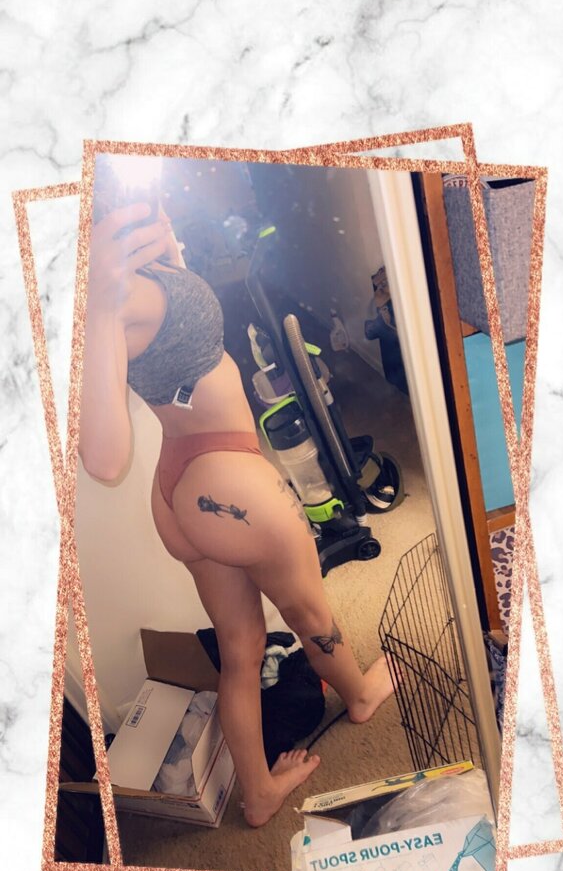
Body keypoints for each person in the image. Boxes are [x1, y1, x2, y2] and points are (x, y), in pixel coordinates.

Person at [79, 161, 394, 827]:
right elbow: (102, 457)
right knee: (309, 609)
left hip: (181, 488)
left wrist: (167, 248)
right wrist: (102, 300)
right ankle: (361, 694)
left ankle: (258, 793)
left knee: (241, 646)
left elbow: (177, 324)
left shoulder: (139, 273)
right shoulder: (111, 297)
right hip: (224, 480)